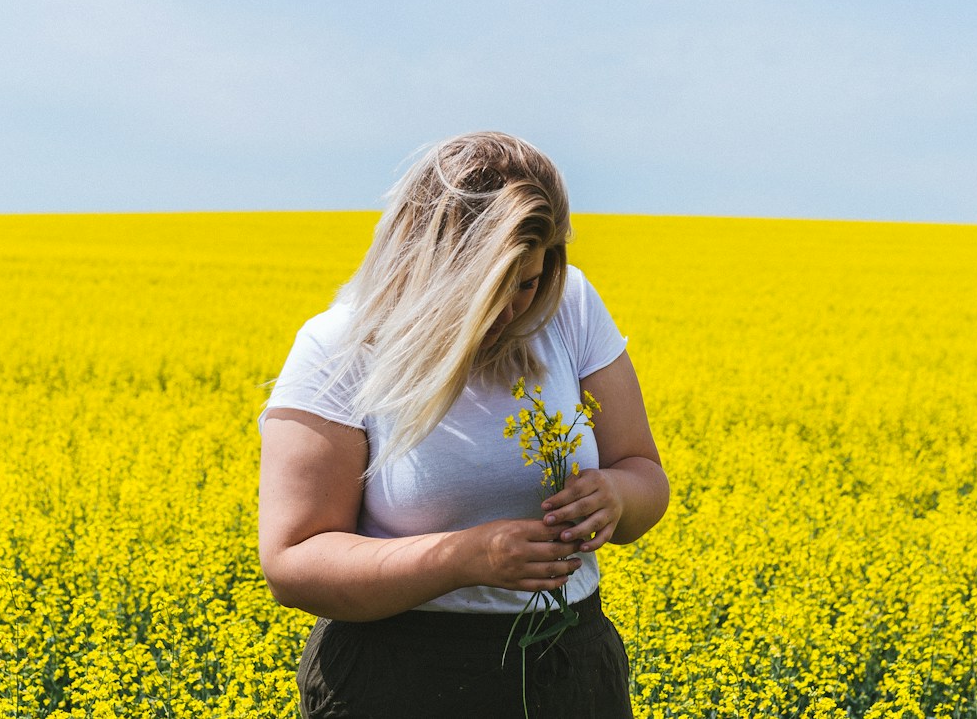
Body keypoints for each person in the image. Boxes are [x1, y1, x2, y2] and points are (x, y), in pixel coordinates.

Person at [258, 131, 669, 718]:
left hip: (568, 665)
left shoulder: (569, 306)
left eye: (527, 283)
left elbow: (644, 472)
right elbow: (293, 562)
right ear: (431, 265)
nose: (512, 310)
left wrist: (617, 497)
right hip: (396, 679)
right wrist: (464, 558)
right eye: (489, 289)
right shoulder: (341, 345)